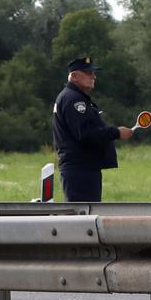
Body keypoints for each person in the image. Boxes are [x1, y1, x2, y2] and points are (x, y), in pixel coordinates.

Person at [51, 57, 134, 202]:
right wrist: (117, 132)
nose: (93, 76)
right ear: (74, 76)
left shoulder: (71, 97)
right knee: (82, 217)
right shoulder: (75, 100)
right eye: (88, 73)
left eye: (94, 73)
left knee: (85, 215)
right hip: (80, 169)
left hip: (82, 167)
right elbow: (85, 133)